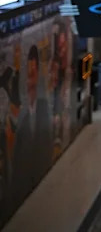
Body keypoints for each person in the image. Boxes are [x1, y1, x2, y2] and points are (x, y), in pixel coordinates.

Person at [13, 45, 53, 188]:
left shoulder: (44, 110)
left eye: (33, 72)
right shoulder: (21, 119)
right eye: (28, 73)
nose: (30, 79)